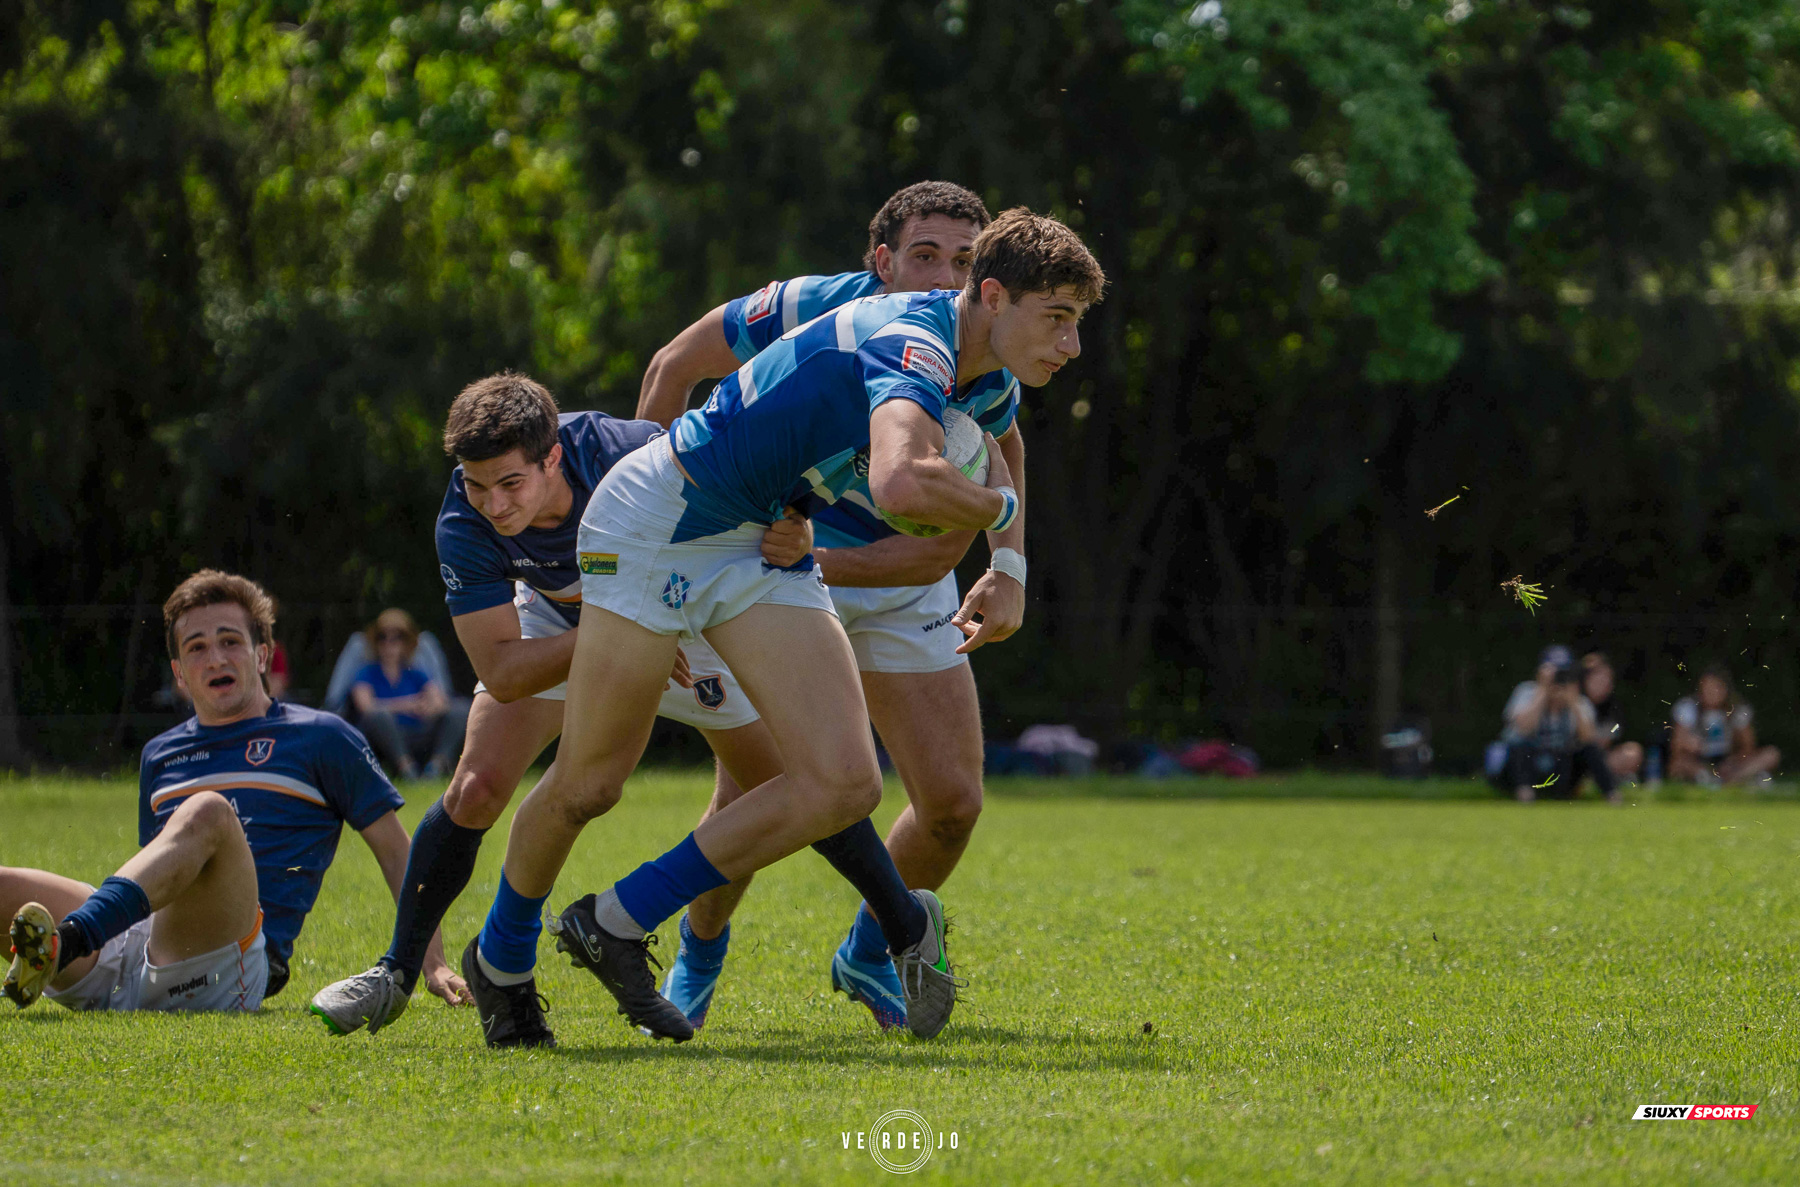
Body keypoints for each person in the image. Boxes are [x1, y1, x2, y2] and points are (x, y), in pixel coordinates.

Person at [466, 208, 1100, 1052]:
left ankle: (615, 921)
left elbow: (1000, 434)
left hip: (756, 538)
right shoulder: (915, 341)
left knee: (844, 782)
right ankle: (501, 962)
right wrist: (1000, 510)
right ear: (991, 297)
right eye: (1057, 318)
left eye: (1077, 321)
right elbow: (903, 483)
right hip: (658, 519)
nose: (1073, 344)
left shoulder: (985, 368)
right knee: (589, 781)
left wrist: (1009, 564)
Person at [308, 375, 962, 1047]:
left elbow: (747, 466)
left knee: (796, 779)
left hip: (686, 609)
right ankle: (406, 967)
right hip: (572, 624)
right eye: (477, 485)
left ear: (554, 457)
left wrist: (796, 521)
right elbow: (502, 672)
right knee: (481, 783)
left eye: (510, 484)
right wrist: (621, 635)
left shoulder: (632, 454)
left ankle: (902, 926)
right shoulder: (464, 519)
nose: (492, 505)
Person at [635, 181, 1028, 1031]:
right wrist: (652, 526)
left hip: (869, 571)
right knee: (762, 787)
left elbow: (984, 470)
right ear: (879, 260)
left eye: (964, 261)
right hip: (756, 566)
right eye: (924, 255)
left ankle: (869, 949)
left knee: (954, 801)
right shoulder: (816, 307)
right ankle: (701, 948)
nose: (942, 276)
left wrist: (1009, 564)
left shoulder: (981, 349)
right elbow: (675, 365)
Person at [3, 570, 462, 1014]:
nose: (216, 659)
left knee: (208, 810)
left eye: (230, 641)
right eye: (197, 647)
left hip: (227, 963)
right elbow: (157, 873)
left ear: (262, 655)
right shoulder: (160, 753)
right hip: (146, 944)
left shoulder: (323, 737)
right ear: (179, 673)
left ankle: (67, 942)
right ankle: (70, 948)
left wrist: (432, 960)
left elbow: (397, 852)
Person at [350, 608, 468, 779]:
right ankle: (406, 769)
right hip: (387, 739)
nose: (389, 644)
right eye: (383, 637)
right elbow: (366, 706)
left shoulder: (416, 672)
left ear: (406, 643)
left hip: (419, 732)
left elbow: (440, 701)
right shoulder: (366, 673)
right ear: (376, 642)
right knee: (378, 715)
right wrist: (406, 704)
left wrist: (428, 707)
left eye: (397, 638)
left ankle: (436, 766)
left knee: (460, 709)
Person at [1495, 644, 1619, 803]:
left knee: (1590, 750)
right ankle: (1525, 795)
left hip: (1561, 766)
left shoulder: (1579, 701)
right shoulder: (1526, 692)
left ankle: (1612, 796)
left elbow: (1588, 739)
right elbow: (1523, 729)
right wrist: (1542, 692)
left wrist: (1572, 702)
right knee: (1519, 746)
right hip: (1527, 764)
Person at [1669, 665, 1780, 786]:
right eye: (1706, 688)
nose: (1710, 693)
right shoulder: (1688, 708)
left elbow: (1748, 746)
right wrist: (1688, 744)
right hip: (1699, 761)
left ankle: (1733, 780)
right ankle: (1707, 778)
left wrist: (1733, 760)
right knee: (1679, 765)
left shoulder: (1738, 709)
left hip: (1729, 760)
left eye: (1715, 688)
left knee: (1771, 754)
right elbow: (1676, 746)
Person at [1578, 650, 1642, 784]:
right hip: (1576, 756)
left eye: (1608, 679)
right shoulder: (1576, 702)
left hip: (1601, 755)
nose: (1606, 684)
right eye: (1600, 679)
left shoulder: (1613, 707)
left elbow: (1610, 734)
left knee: (1632, 751)